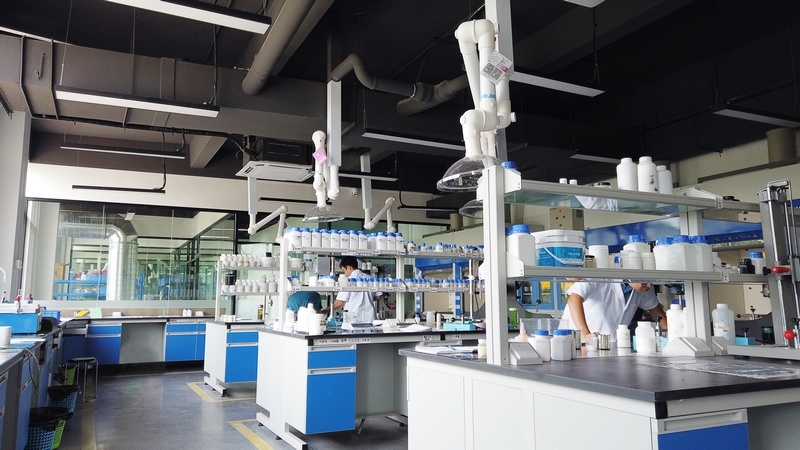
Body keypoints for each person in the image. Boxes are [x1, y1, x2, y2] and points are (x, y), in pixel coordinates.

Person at [562, 281, 667, 342]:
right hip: (577, 343)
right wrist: (586, 336)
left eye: (652, 283)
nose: (649, 286)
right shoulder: (599, 276)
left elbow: (655, 310)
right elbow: (573, 300)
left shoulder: (645, 287)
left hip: (609, 344)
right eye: (645, 283)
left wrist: (671, 335)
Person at [332, 256, 381, 322]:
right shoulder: (372, 278)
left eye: (344, 270)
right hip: (370, 318)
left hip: (354, 318)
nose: (345, 274)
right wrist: (367, 298)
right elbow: (378, 297)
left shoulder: (347, 280)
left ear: (348, 268)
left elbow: (339, 303)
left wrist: (325, 310)